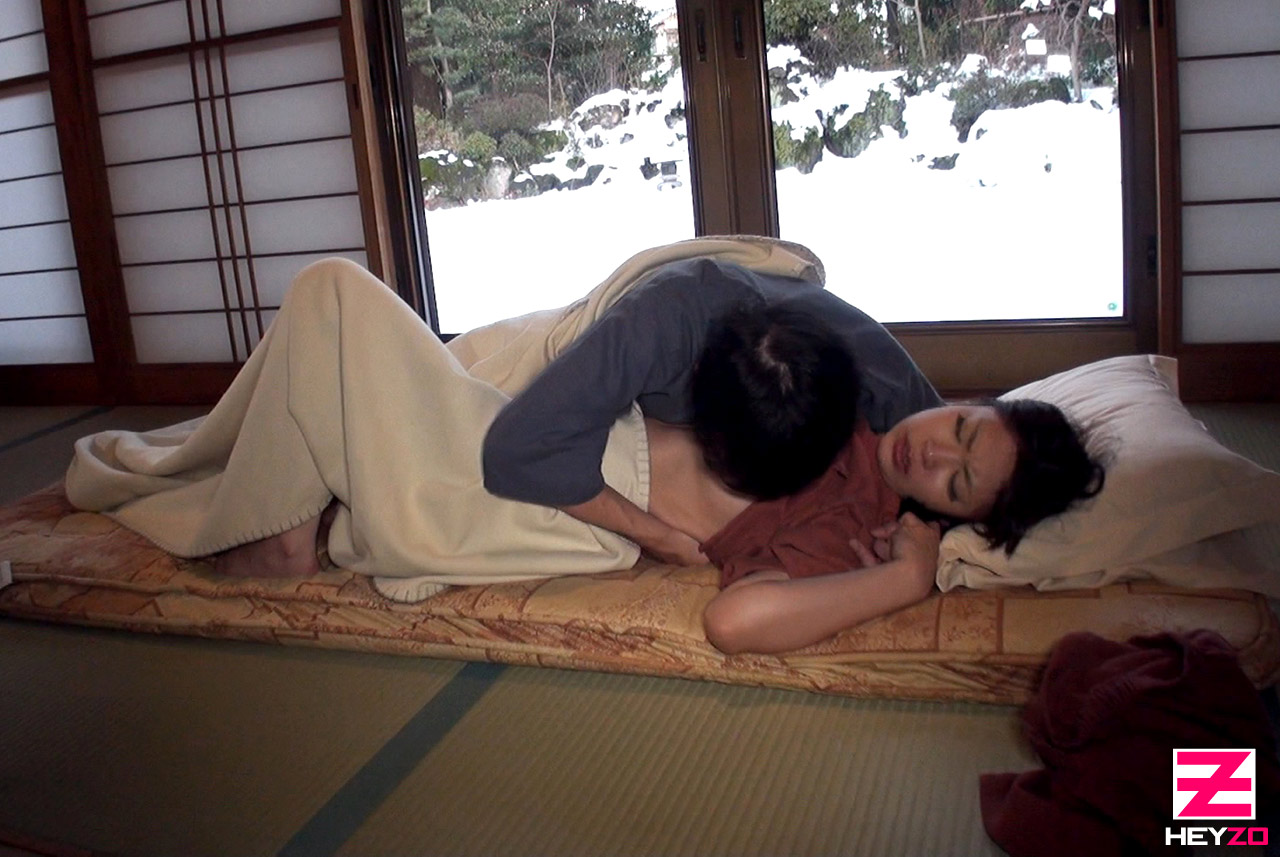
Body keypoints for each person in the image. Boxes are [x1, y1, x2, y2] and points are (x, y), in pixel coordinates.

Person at [64, 255, 1103, 655]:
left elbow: (736, 620)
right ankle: (277, 502)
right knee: (332, 332)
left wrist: (902, 578)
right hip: (578, 447)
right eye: (964, 429)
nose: (934, 454)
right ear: (966, 403)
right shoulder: (858, 385)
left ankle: (277, 533)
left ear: (956, 518)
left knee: (330, 303)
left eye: (957, 484)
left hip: (567, 504)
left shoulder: (858, 529)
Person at [481, 255, 943, 566]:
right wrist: (659, 537)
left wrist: (915, 542)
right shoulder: (656, 329)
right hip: (594, 329)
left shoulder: (881, 379)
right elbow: (516, 450)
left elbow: (974, 477)